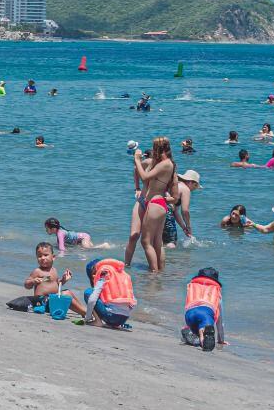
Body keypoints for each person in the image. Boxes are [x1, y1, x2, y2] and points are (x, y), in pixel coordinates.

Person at [126, 136, 177, 272]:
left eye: (155, 147)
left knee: (146, 242)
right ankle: (159, 273)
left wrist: (136, 159)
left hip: (155, 202)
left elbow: (145, 177)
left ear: (159, 148)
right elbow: (138, 172)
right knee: (156, 242)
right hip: (153, 202)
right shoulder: (162, 163)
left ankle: (154, 274)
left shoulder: (165, 164)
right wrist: (137, 187)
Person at [22, 243, 83, 314]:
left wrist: (64, 280)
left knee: (68, 292)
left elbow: (55, 284)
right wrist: (32, 281)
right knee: (66, 294)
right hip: (43, 302)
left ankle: (82, 310)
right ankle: (83, 312)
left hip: (53, 300)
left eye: (45, 255)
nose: (42, 258)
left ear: (53, 257)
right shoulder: (38, 271)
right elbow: (26, 285)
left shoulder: (54, 270)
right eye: (39, 256)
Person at [181, 268, 227, 351]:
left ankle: (189, 330)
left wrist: (187, 323)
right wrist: (221, 340)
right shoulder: (216, 291)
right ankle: (203, 342)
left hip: (189, 315)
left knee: (197, 328)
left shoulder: (192, 287)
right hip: (206, 313)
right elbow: (220, 322)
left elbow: (187, 305)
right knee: (204, 329)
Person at [82, 258, 134, 329]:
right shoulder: (122, 275)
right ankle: (116, 323)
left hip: (111, 317)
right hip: (124, 318)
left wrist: (87, 317)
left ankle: (97, 321)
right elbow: (132, 300)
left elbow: (92, 300)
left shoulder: (103, 275)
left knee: (88, 292)